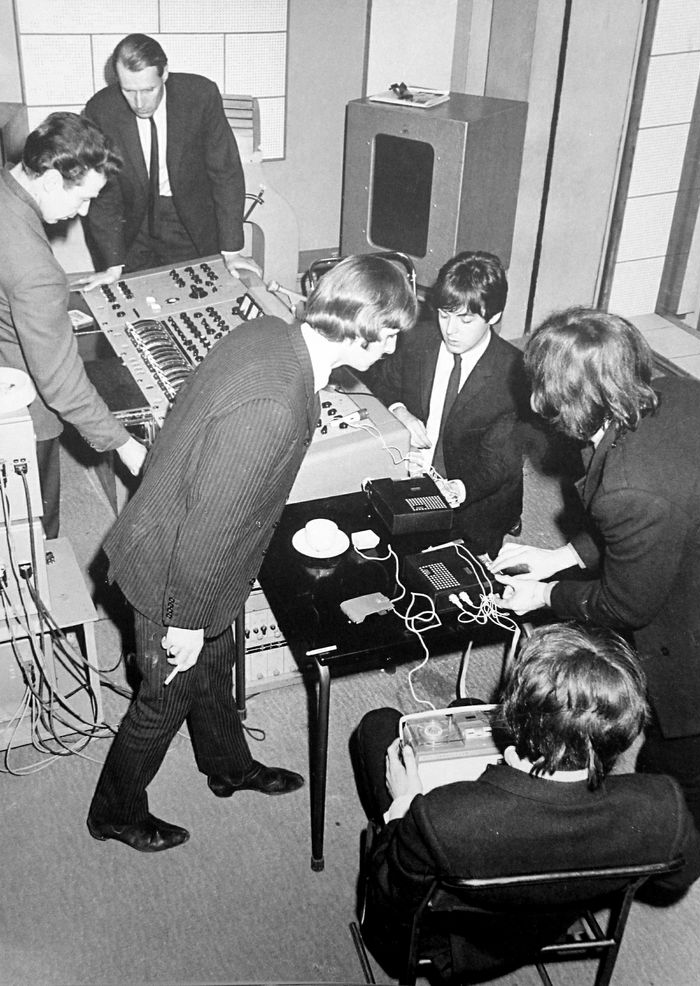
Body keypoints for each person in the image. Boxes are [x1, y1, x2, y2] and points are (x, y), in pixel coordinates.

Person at [87, 254, 418, 853]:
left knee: (216, 668)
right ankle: (113, 811)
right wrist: (187, 621)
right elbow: (209, 523)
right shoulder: (275, 404)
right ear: (361, 327)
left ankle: (227, 766)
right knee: (163, 699)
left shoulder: (272, 332)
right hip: (172, 569)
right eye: (390, 333)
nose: (393, 348)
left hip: (204, 560)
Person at [491, 307, 700, 856]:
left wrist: (545, 594)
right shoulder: (669, 392)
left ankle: (675, 859)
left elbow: (626, 605)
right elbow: (656, 515)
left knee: (678, 769)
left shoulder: (630, 485)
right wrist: (560, 557)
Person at [353, 622, 700, 981]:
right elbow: (678, 878)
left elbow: (391, 899)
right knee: (467, 708)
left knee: (379, 726)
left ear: (514, 714)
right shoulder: (663, 805)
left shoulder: (436, 815)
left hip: (458, 944)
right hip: (553, 923)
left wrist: (403, 806)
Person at [0, 112, 146, 537]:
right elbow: (61, 384)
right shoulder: (35, 270)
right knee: (33, 528)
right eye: (82, 198)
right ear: (49, 181)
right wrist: (124, 444)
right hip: (20, 408)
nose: (83, 212)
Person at [364, 251, 528, 559]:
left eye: (465, 320)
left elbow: (500, 463)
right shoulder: (417, 338)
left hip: (475, 494)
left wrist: (459, 489)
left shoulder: (516, 376)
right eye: (444, 315)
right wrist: (400, 411)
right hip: (412, 470)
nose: (450, 330)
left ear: (493, 316)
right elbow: (380, 380)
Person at [80, 33, 256, 288]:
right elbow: (105, 191)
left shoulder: (200, 96)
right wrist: (113, 263)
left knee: (195, 291)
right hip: (132, 223)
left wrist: (232, 250)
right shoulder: (101, 109)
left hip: (186, 218)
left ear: (164, 74)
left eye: (148, 90)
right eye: (128, 90)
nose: (139, 103)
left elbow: (225, 172)